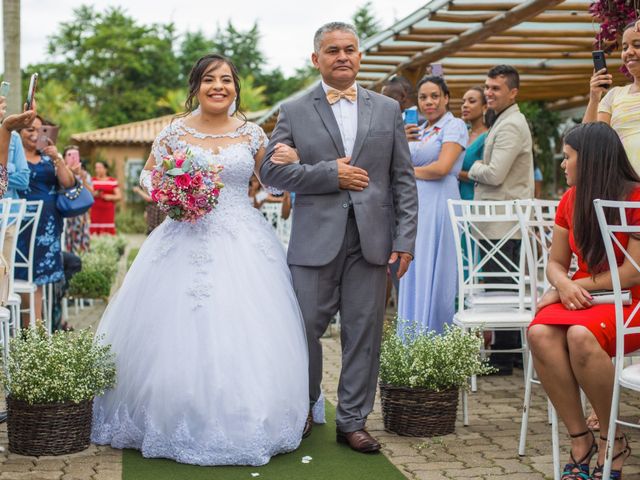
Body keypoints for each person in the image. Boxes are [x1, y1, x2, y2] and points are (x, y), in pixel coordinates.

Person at [91, 54, 309, 466]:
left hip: (243, 238)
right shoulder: (176, 131)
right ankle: (172, 411)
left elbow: (273, 184)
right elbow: (147, 175)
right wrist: (174, 193)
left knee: (246, 325)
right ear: (196, 86)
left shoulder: (251, 134)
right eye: (209, 79)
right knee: (175, 326)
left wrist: (291, 164)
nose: (218, 86)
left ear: (235, 88)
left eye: (227, 80)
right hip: (182, 234)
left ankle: (250, 414)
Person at [260, 22, 418, 453]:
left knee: (364, 331)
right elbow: (270, 173)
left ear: (360, 56)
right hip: (314, 241)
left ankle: (353, 421)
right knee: (303, 330)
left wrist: (405, 239)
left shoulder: (387, 109)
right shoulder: (293, 110)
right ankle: (304, 409)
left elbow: (403, 180)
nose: (343, 56)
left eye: (350, 49)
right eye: (333, 50)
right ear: (317, 59)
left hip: (373, 241)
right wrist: (331, 173)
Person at [529, 122, 640, 480]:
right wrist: (561, 283)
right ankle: (581, 439)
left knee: (579, 335)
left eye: (568, 157)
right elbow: (556, 262)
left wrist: (574, 288)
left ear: (590, 160)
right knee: (540, 333)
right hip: (587, 296)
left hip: (631, 302)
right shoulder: (571, 200)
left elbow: (632, 273)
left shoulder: (636, 199)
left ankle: (613, 438)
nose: (563, 164)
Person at [467, 64, 535, 375]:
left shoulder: (510, 125)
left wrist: (474, 168)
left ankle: (503, 359)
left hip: (503, 220)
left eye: (496, 88)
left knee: (500, 288)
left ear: (513, 92)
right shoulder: (505, 120)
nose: (489, 93)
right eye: (488, 87)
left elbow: (494, 174)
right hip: (502, 220)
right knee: (504, 286)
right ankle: (510, 355)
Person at [397, 76, 467, 335]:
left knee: (437, 273)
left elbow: (442, 168)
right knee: (415, 271)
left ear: (446, 98)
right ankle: (412, 340)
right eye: (423, 97)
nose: (429, 102)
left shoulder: (455, 125)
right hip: (416, 207)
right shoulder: (421, 129)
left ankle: (436, 339)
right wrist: (402, 139)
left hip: (440, 204)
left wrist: (406, 171)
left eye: (435, 96)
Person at [17, 116, 75, 324]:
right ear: (18, 132)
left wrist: (57, 158)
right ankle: (26, 327)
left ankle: (37, 326)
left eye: (39, 130)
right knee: (20, 273)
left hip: (47, 224)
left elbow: (68, 183)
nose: (34, 134)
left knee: (39, 277)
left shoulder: (48, 156)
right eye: (29, 130)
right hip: (20, 222)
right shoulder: (14, 156)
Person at [583, 21, 640, 173]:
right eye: (625, 47)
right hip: (622, 188)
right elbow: (588, 141)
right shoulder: (615, 96)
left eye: (637, 45)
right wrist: (594, 98)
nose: (629, 52)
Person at [0, 96, 32, 265]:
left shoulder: (13, 138)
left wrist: (5, 129)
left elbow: (21, 179)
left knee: (4, 273)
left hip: (8, 216)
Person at [458, 86, 489, 201]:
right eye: (463, 102)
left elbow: (485, 175)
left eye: (471, 101)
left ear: (485, 107)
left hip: (474, 201)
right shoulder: (461, 132)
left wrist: (452, 173)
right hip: (453, 199)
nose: (465, 105)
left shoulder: (488, 137)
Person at [64, 150, 93, 254]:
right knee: (68, 235)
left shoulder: (85, 175)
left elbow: (91, 193)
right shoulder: (62, 172)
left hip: (81, 210)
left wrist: (83, 179)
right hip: (67, 209)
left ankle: (82, 259)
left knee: (82, 235)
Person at [90, 161, 121, 235]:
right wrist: (94, 194)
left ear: (105, 169)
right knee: (94, 233)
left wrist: (110, 197)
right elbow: (87, 194)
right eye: (96, 168)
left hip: (108, 211)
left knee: (108, 232)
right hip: (95, 210)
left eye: (100, 167)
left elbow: (119, 196)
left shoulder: (112, 181)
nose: (97, 170)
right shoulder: (92, 180)